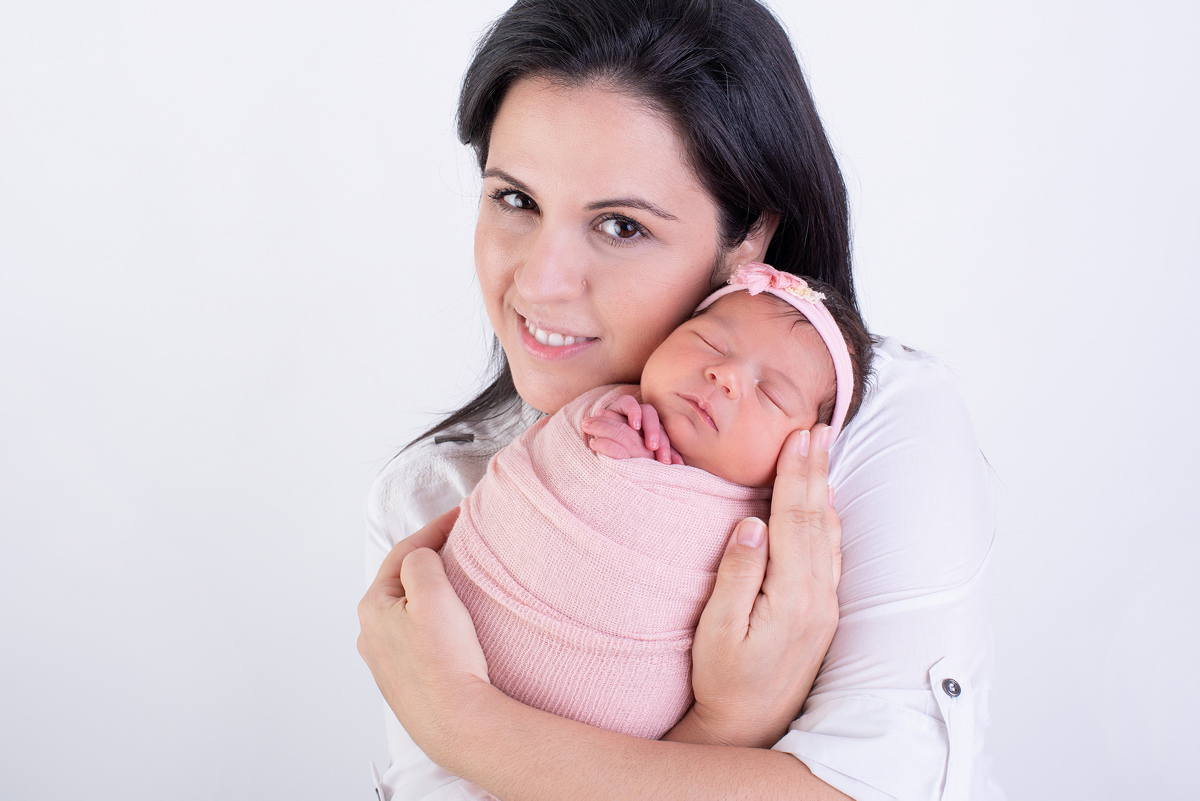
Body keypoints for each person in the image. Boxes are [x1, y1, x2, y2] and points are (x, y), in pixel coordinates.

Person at [359, 1, 1000, 799]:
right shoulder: (433, 495)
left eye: (621, 226)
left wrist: (465, 723)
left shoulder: (872, 434)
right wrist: (729, 724)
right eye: (516, 200)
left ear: (748, 241)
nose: (540, 282)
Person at [439, 264, 873, 743]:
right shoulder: (601, 407)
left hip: (610, 740)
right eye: (710, 343)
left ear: (807, 446)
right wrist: (613, 452)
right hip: (446, 631)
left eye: (771, 394)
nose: (725, 375)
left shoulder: (772, 531)